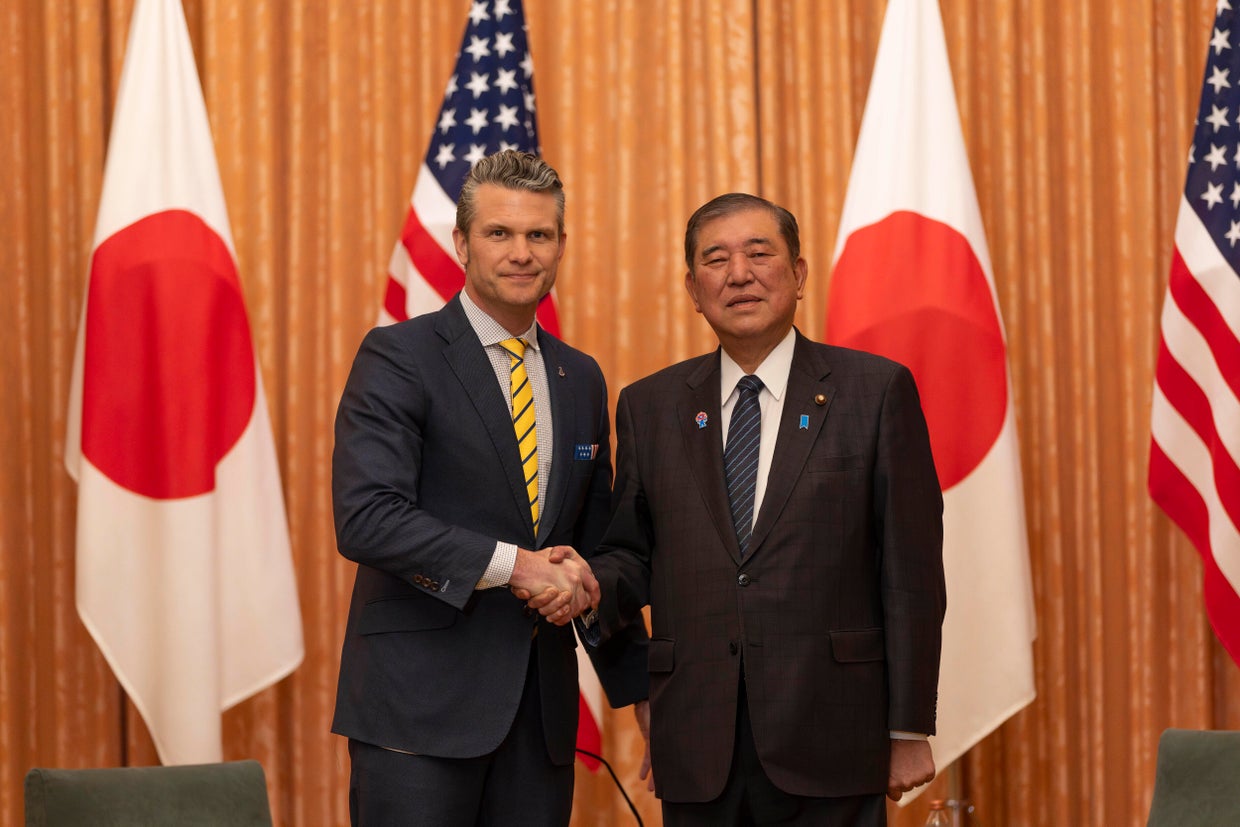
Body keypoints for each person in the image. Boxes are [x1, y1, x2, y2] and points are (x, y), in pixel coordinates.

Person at [535, 192, 945, 825]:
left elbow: (910, 573)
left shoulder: (875, 391)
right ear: (693, 289)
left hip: (834, 731)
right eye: (716, 259)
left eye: (759, 253)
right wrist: (584, 581)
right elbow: (631, 554)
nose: (739, 274)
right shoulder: (651, 406)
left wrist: (908, 727)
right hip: (698, 737)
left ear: (799, 274)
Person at [331, 150, 648, 827]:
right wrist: (518, 566)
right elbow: (368, 518)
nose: (521, 252)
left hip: (540, 721)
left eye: (539, 234)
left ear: (561, 245)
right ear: (461, 243)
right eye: (499, 233)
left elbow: (599, 549)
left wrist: (642, 694)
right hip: (419, 715)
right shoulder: (399, 356)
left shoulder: (581, 378)